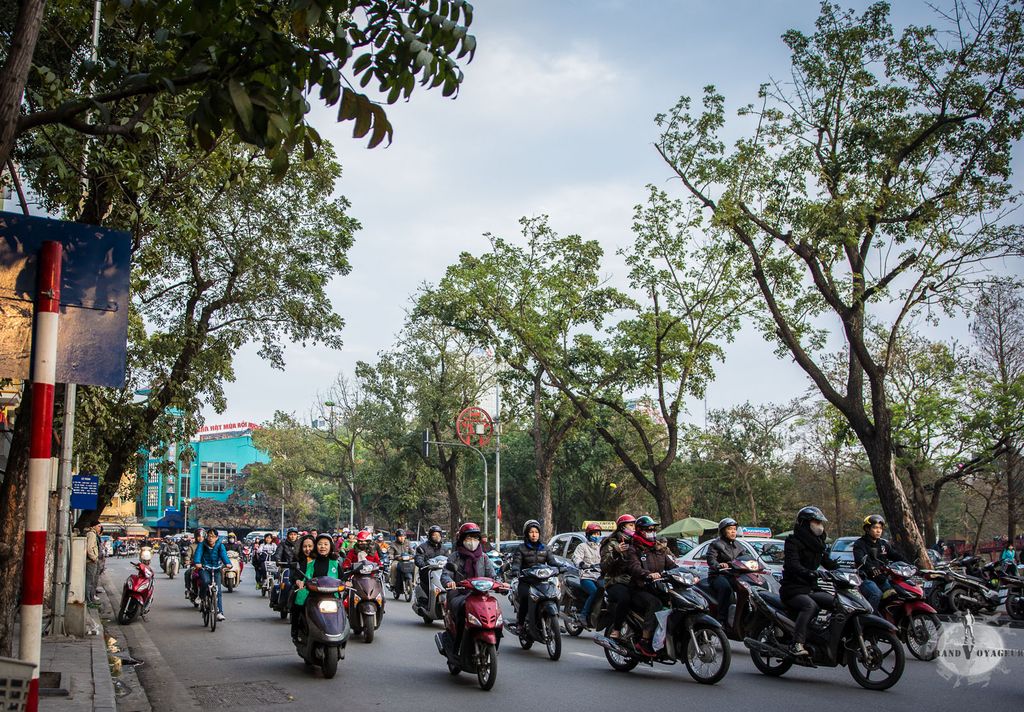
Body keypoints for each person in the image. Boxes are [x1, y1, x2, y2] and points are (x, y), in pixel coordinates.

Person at [780, 506, 840, 657]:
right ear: (805, 523)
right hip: (793, 589)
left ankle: (825, 637)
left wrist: (846, 569)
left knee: (837, 603)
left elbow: (828, 562)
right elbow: (793, 565)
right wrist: (811, 573)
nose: (820, 526)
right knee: (809, 606)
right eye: (816, 522)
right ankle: (796, 643)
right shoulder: (793, 542)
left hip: (810, 588)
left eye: (820, 522)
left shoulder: (818, 544)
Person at [624, 515, 676, 657]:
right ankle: (645, 640)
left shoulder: (659, 549)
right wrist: (647, 574)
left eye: (653, 529)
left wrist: (688, 573)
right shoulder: (634, 549)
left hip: (658, 587)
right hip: (639, 588)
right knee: (655, 604)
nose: (651, 532)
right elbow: (634, 567)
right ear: (640, 531)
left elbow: (672, 566)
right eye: (648, 530)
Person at [441, 523, 495, 651]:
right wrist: (450, 582)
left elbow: (492, 575)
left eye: (475, 538)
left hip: (480, 595)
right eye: (469, 538)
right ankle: (457, 646)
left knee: (495, 609)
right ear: (462, 539)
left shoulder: (484, 557)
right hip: (459, 594)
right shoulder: (454, 557)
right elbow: (445, 575)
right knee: (462, 610)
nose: (472, 541)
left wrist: (501, 584)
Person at [509, 520, 559, 629]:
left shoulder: (545, 548)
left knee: (554, 595)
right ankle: (520, 624)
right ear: (527, 533)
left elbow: (552, 562)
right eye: (531, 532)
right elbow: (516, 563)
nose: (534, 534)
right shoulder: (521, 548)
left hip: (542, 581)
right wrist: (515, 570)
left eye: (536, 532)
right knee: (525, 598)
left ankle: (554, 620)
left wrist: (560, 568)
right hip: (526, 581)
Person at [853, 514, 906, 613]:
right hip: (865, 578)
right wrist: (872, 569)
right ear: (867, 529)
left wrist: (909, 565)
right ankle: (869, 618)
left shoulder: (882, 544)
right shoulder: (860, 543)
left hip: (882, 578)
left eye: (880, 528)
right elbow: (860, 560)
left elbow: (895, 555)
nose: (878, 531)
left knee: (897, 593)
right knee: (876, 594)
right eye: (875, 528)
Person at [600, 514, 636, 639]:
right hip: (615, 581)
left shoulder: (636, 542)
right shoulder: (611, 543)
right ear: (622, 527)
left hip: (633, 581)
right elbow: (604, 567)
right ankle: (617, 628)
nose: (634, 528)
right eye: (631, 525)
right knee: (625, 598)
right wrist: (616, 553)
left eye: (635, 525)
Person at [705, 517, 745, 625]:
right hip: (718, 575)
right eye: (730, 529)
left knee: (747, 588)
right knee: (725, 588)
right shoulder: (716, 544)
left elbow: (745, 557)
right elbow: (711, 559)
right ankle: (721, 619)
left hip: (734, 575)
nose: (733, 531)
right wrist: (718, 565)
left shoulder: (739, 545)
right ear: (723, 531)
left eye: (734, 529)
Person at [193, 529, 232, 621]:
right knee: (205, 581)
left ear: (217, 538)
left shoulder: (220, 545)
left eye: (213, 536)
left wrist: (228, 563)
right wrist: (197, 562)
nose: (211, 538)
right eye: (209, 536)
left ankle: (219, 612)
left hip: (216, 569)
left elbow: (224, 555)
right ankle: (201, 596)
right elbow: (198, 554)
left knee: (218, 590)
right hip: (204, 568)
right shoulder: (202, 544)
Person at [289, 535, 321, 640]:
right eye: (305, 546)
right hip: (303, 589)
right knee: (297, 603)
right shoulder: (298, 560)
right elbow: (293, 576)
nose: (307, 549)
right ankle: (295, 630)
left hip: (320, 590)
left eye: (310, 546)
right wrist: (298, 581)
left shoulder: (321, 559)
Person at [571, 523, 603, 627]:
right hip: (586, 576)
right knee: (594, 591)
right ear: (588, 535)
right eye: (594, 534)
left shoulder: (601, 547)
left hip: (599, 576)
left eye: (598, 534)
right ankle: (583, 615)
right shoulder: (582, 546)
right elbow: (576, 558)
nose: (596, 536)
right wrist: (581, 564)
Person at [414, 525, 447, 602]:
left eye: (438, 535)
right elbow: (418, 559)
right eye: (434, 535)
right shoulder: (422, 547)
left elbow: (449, 559)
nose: (437, 537)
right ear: (430, 536)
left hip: (441, 573)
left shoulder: (444, 548)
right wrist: (424, 564)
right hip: (428, 573)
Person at [85, 523, 101, 605]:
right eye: (98, 526)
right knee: (90, 581)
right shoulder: (91, 534)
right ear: (93, 526)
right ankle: (88, 600)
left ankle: (91, 598)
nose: (100, 528)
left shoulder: (93, 534)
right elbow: (90, 548)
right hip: (91, 561)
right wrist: (94, 558)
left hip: (92, 560)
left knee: (92, 581)